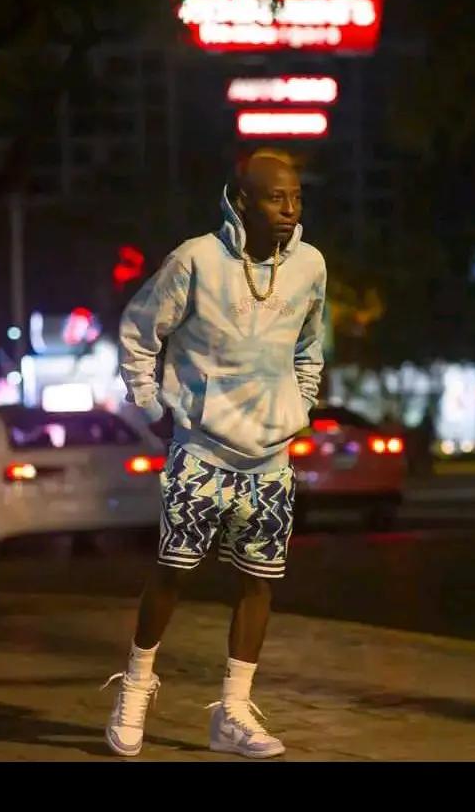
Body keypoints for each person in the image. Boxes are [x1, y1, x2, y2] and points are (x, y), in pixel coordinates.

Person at [103, 148, 327, 759]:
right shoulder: (196, 258)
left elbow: (310, 347)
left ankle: (232, 713)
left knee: (259, 584)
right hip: (201, 451)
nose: (290, 209)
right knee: (173, 572)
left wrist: (300, 404)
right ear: (241, 201)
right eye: (276, 198)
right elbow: (139, 332)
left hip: (270, 460)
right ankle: (136, 688)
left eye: (297, 197)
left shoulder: (310, 264)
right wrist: (151, 406)